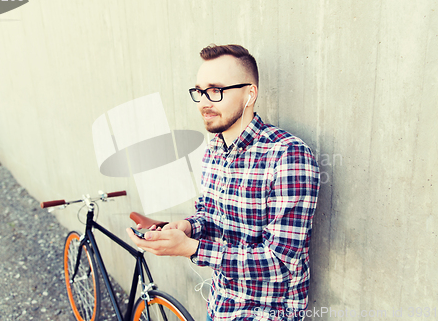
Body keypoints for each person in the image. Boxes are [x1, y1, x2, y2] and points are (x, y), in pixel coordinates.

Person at [127, 44, 320, 320]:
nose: (204, 102)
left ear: (249, 94)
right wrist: (187, 227)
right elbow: (211, 213)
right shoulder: (215, 148)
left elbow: (280, 264)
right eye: (199, 91)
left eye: (216, 90)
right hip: (220, 306)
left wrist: (191, 248)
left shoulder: (288, 155)